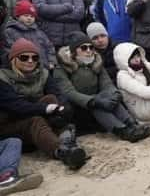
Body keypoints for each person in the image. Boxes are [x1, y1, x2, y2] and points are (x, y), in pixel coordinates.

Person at [0, 38, 88, 169]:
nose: (30, 61)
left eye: (34, 57)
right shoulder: (3, 78)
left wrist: (63, 107)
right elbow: (16, 107)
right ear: (14, 59)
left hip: (33, 115)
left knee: (51, 99)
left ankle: (68, 143)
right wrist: (46, 108)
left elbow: (57, 94)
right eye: (24, 57)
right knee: (36, 120)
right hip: (8, 125)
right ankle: (62, 152)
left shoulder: (43, 73)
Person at [54, 31, 150, 142]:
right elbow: (69, 93)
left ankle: (132, 124)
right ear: (74, 51)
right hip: (77, 108)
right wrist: (94, 101)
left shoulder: (96, 62)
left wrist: (115, 94)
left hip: (98, 103)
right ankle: (124, 132)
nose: (89, 51)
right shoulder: (62, 68)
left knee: (109, 96)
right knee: (98, 103)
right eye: (84, 48)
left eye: (91, 47)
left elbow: (107, 84)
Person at [4, 0, 57, 70]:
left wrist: (52, 61)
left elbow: (49, 47)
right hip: (23, 70)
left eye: (32, 16)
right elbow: (8, 51)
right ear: (17, 16)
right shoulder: (10, 32)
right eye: (26, 15)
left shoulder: (39, 32)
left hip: (44, 69)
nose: (29, 18)